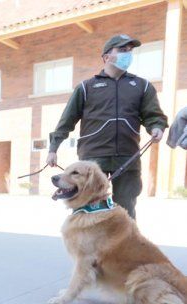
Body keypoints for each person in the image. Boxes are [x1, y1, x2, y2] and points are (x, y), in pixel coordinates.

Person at [47, 34, 168, 219]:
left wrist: (157, 126)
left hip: (128, 157)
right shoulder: (86, 87)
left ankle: (123, 247)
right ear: (106, 57)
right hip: (92, 159)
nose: (127, 54)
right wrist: (53, 148)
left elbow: (153, 115)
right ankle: (86, 246)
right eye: (122, 50)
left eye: (130, 50)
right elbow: (66, 121)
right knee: (87, 207)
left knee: (125, 211)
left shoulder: (142, 86)